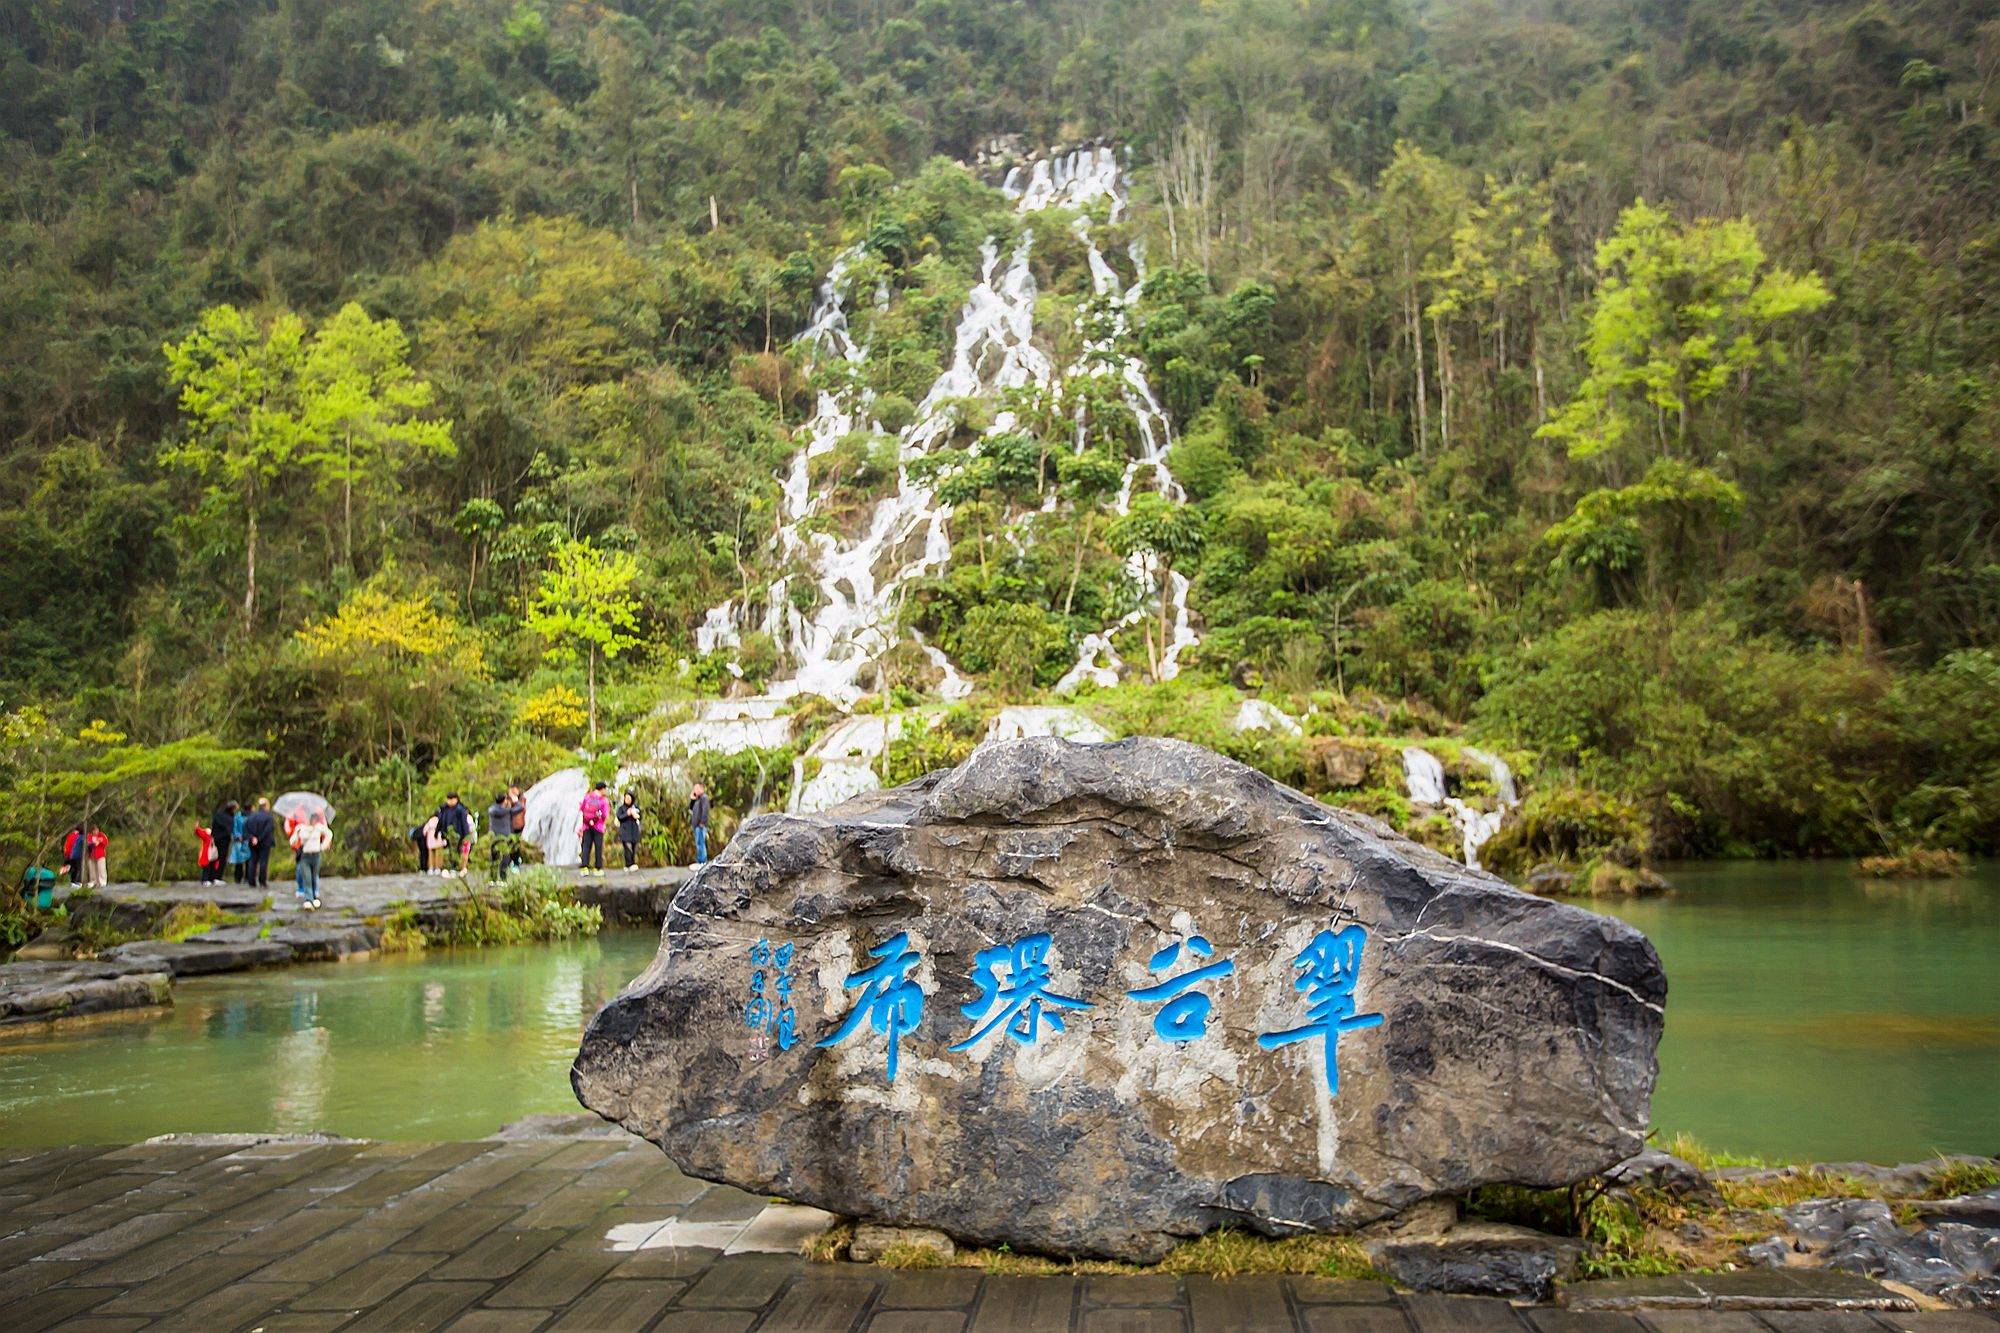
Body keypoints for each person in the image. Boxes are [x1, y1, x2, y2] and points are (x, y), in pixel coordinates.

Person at [289, 810, 331, 909]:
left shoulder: (319, 828)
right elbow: (292, 841)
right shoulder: (301, 828)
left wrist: (323, 846)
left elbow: (329, 834)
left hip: (316, 855)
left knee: (314, 876)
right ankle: (308, 899)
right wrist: (297, 834)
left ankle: (314, 897)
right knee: (307, 877)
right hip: (305, 857)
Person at [435, 794, 473, 876]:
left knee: (456, 851)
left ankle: (454, 868)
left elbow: (464, 823)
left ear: (456, 799)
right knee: (447, 851)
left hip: (458, 835)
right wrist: (437, 832)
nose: (450, 801)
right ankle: (448, 868)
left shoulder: (460, 809)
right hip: (446, 834)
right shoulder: (444, 809)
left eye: (452, 799)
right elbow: (440, 821)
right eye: (448, 799)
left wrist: (466, 835)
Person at [241, 798, 276, 889]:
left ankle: (251, 881)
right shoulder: (269, 817)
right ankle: (262, 881)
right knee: (263, 862)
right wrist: (259, 838)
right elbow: (268, 830)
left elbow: (245, 829)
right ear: (266, 806)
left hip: (253, 842)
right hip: (264, 842)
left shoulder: (251, 816)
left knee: (253, 861)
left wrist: (252, 838)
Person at [578, 782, 610, 877]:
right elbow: (604, 814)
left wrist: (588, 821)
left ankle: (584, 868)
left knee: (586, 846)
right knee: (598, 847)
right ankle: (598, 868)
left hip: (586, 826)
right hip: (598, 827)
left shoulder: (587, 797)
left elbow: (582, 809)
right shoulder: (603, 800)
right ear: (602, 789)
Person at [486, 791, 517, 877]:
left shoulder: (492, 809)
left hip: (493, 836)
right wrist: (514, 801)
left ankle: (493, 877)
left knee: (494, 857)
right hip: (504, 837)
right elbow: (520, 808)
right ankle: (503, 877)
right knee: (505, 857)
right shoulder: (506, 811)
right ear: (504, 800)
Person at [209, 801, 237, 885]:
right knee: (222, 858)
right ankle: (218, 877)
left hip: (216, 839)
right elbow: (230, 829)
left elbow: (213, 826)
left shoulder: (218, 815)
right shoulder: (228, 818)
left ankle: (211, 877)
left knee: (214, 858)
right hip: (224, 840)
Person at [615, 793, 642, 871]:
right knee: (627, 848)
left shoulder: (635, 807)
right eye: (626, 798)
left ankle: (631, 864)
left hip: (634, 831)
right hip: (625, 832)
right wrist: (627, 813)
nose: (627, 799)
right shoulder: (621, 808)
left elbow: (641, 816)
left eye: (629, 798)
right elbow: (619, 817)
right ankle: (629, 864)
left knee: (633, 848)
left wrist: (637, 815)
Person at [688, 782, 711, 865]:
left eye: (697, 789)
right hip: (696, 826)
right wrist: (692, 799)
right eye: (694, 789)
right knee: (698, 843)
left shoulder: (704, 798)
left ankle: (703, 862)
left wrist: (702, 823)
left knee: (701, 843)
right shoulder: (697, 800)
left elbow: (705, 810)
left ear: (702, 789)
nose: (695, 790)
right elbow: (690, 809)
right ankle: (700, 861)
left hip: (700, 825)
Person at [506, 785, 527, 872]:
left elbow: (519, 808)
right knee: (510, 844)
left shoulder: (521, 800)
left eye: (514, 791)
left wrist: (515, 801)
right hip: (510, 825)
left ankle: (516, 863)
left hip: (518, 825)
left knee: (515, 844)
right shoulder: (508, 800)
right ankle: (512, 861)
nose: (512, 793)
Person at [228, 805, 250, 882]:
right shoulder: (238, 817)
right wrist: (238, 836)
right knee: (240, 861)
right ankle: (239, 878)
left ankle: (245, 878)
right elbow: (234, 828)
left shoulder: (238, 816)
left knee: (246, 861)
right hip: (240, 841)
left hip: (245, 840)